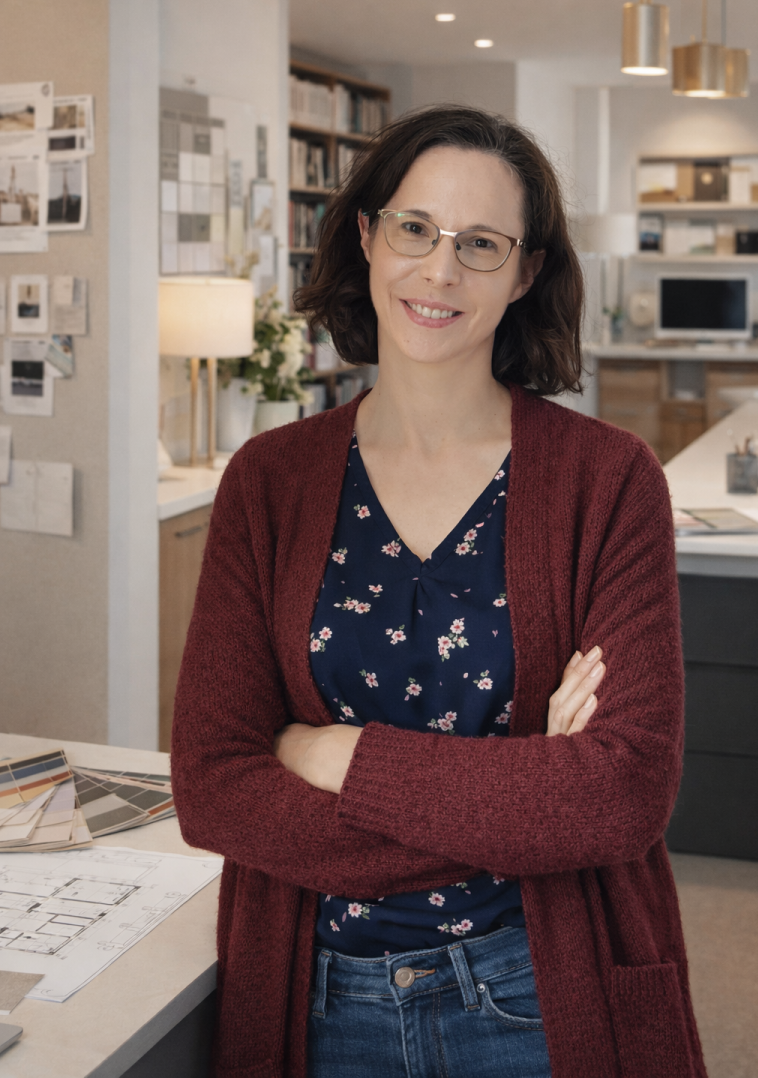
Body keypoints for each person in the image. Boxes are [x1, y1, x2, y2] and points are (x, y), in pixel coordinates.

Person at [171, 106, 706, 1078]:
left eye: (482, 244)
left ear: (526, 272)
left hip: (536, 991)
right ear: (368, 236)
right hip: (312, 997)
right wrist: (523, 795)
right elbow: (212, 788)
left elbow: (622, 794)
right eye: (415, 229)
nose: (441, 270)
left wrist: (336, 754)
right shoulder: (269, 480)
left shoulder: (610, 480)